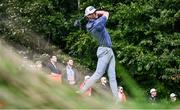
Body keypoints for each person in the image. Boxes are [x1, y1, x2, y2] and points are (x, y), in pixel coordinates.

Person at [78, 6, 119, 101]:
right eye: (93, 13)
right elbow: (106, 13)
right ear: (88, 16)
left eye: (95, 11)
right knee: (98, 74)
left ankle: (117, 101)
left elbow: (102, 14)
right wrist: (97, 13)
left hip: (109, 50)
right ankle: (81, 92)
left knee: (112, 77)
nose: (96, 13)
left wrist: (93, 12)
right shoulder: (97, 24)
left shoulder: (93, 22)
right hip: (104, 51)